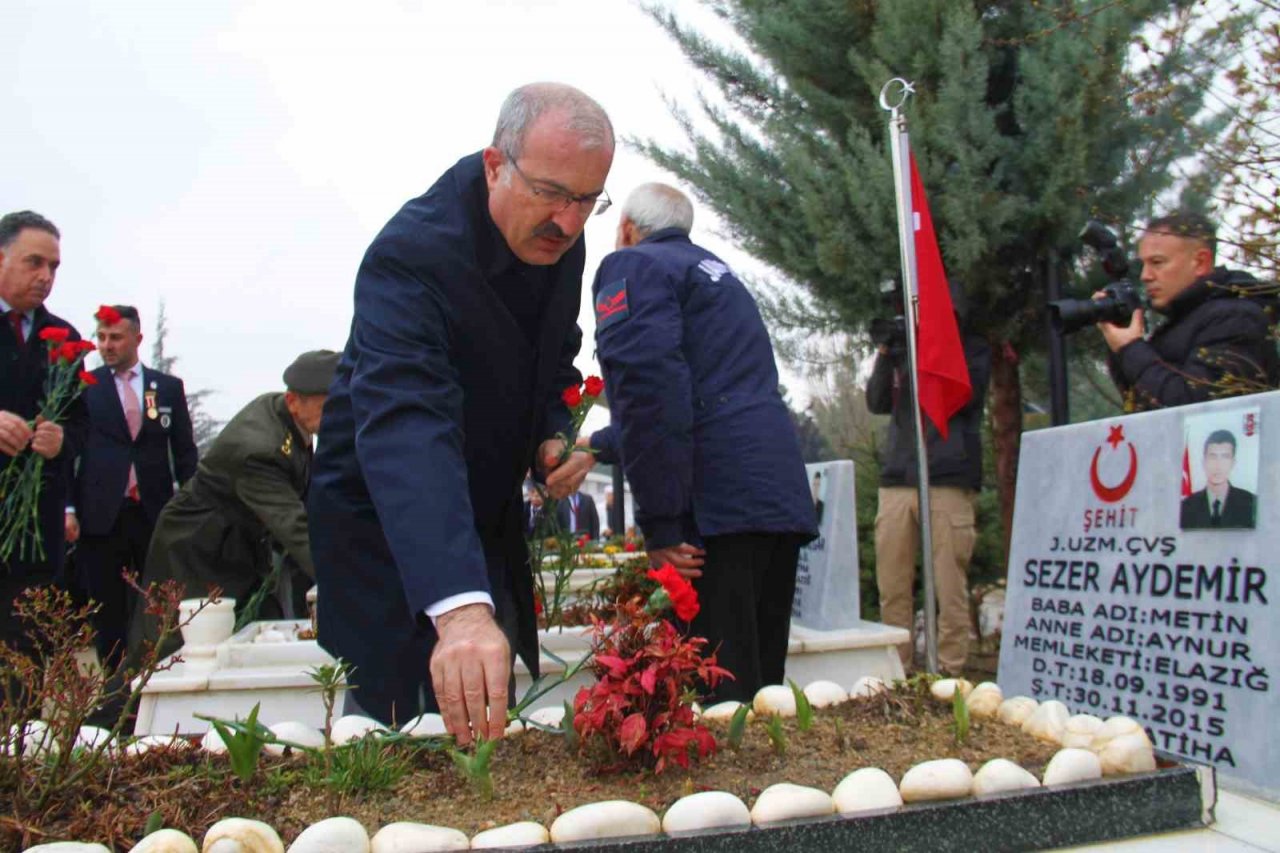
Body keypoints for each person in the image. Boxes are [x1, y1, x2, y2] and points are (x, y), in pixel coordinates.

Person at [308, 83, 613, 738]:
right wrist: (459, 609)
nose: (567, 221)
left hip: (480, 517)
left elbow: (553, 360)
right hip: (390, 528)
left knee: (484, 735)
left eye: (588, 200)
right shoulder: (411, 258)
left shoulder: (561, 242)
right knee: (403, 735)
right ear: (495, 165)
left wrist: (550, 439)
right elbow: (407, 421)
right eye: (552, 193)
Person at [583, 183, 818, 702]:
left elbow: (650, 391)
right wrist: (593, 447)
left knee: (713, 695)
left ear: (626, 228)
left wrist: (661, 524)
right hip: (772, 495)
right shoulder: (717, 274)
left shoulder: (635, 267)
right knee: (760, 694)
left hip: (714, 508)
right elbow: (703, 396)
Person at [127, 350, 338, 660]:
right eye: (327, 408)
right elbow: (295, 528)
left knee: (253, 636)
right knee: (169, 651)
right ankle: (117, 710)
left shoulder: (287, 417)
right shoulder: (260, 448)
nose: (337, 416)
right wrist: (346, 580)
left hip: (235, 543)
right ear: (294, 400)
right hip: (195, 548)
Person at [866, 287, 990, 675]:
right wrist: (887, 353)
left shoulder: (970, 348)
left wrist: (926, 348)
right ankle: (896, 671)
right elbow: (877, 401)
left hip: (947, 477)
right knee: (893, 586)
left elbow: (962, 397)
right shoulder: (902, 351)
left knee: (949, 585)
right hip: (899, 479)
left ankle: (949, 672)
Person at [68, 305, 198, 669]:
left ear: (137, 339)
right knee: (106, 608)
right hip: (101, 515)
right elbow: (67, 451)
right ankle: (114, 688)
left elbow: (185, 452)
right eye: (102, 337)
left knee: (156, 602)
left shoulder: (167, 388)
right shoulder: (86, 389)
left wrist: (193, 506)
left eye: (116, 337)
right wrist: (68, 508)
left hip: (153, 513)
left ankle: (157, 674)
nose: (107, 345)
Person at [0, 211, 87, 662]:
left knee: (24, 673)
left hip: (35, 540)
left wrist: (62, 441)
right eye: (34, 262)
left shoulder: (63, 340)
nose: (45, 276)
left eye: (53, 267)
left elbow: (83, 425)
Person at [1100, 211, 1279, 411]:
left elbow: (1196, 410)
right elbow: (1140, 403)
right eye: (1143, 265)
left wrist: (1131, 349)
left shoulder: (1236, 317)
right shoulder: (1185, 321)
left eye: (1157, 262)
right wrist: (1121, 338)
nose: (1145, 276)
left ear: (1200, 262)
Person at [1180, 429, 1256, 529]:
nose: (1218, 465)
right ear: (1204, 462)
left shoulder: (1252, 504)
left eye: (1225, 457)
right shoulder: (1186, 506)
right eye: (1213, 457)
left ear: (1233, 463)